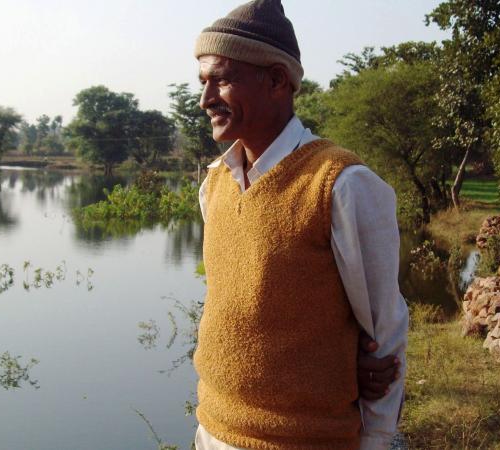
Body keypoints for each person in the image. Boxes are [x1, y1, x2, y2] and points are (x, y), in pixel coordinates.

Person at [192, 1, 408, 449]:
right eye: (203, 82)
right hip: (211, 429)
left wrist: (377, 438)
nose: (205, 99)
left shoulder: (343, 185)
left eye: (223, 80)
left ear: (276, 81)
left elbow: (383, 333)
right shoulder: (214, 183)